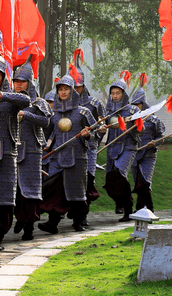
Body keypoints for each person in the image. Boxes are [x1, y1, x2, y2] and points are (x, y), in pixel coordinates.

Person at [38, 75, 95, 234]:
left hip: (77, 157)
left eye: (66, 89)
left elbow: (95, 132)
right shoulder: (53, 113)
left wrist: (87, 135)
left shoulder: (83, 112)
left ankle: (78, 221)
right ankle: (52, 223)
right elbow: (48, 132)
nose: (63, 92)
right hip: (57, 156)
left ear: (72, 91)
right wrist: (46, 145)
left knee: (77, 190)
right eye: (60, 89)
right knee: (55, 189)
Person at [0, 55, 27, 250]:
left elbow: (26, 99)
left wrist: (1, 96)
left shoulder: (10, 98)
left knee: (2, 200)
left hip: (6, 155)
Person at [9, 62, 52, 241]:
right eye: (16, 81)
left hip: (32, 151)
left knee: (30, 191)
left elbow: (46, 122)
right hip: (11, 150)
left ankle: (29, 227)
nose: (19, 85)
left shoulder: (39, 102)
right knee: (15, 190)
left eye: (23, 81)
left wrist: (26, 114)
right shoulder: (9, 100)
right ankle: (20, 217)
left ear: (30, 83)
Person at [69, 51, 105, 227]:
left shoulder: (94, 104)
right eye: (73, 87)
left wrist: (97, 135)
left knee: (87, 180)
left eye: (78, 87)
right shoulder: (64, 104)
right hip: (69, 149)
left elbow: (101, 126)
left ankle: (81, 217)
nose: (76, 90)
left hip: (88, 149)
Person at [101, 76, 140, 222]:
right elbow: (101, 128)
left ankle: (128, 208)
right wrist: (101, 128)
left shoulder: (133, 110)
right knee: (110, 179)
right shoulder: (108, 111)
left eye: (118, 93)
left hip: (128, 146)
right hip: (112, 147)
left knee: (119, 174)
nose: (115, 96)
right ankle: (119, 202)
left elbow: (141, 128)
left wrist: (133, 121)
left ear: (123, 94)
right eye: (113, 93)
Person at [130, 84, 165, 212]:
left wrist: (154, 142)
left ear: (143, 104)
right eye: (134, 104)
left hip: (148, 154)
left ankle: (143, 208)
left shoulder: (154, 120)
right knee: (138, 184)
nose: (136, 107)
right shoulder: (131, 119)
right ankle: (146, 208)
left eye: (138, 104)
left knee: (143, 182)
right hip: (134, 154)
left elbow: (162, 137)